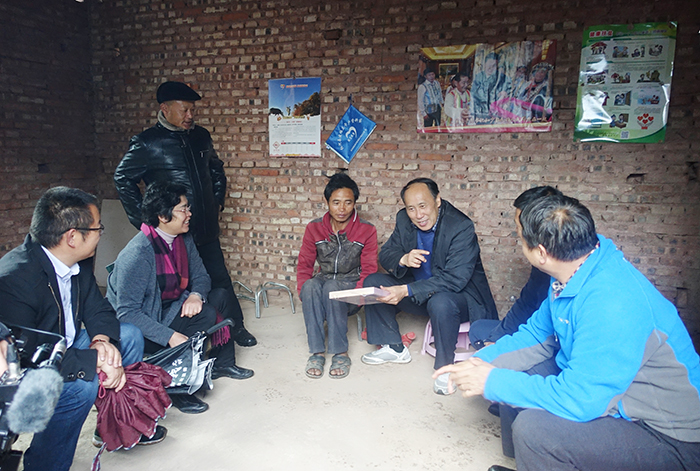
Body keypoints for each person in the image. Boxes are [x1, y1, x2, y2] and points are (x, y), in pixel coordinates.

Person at [435, 195, 700, 471]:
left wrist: (492, 381)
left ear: (541, 253)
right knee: (521, 369)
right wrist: (477, 363)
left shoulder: (613, 303)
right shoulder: (573, 273)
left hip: (666, 434)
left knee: (535, 431)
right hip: (615, 398)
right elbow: (535, 336)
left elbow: (581, 400)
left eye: (519, 236)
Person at [0, 187, 160, 471]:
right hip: (32, 365)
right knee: (80, 389)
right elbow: (29, 355)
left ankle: (114, 422)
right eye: (98, 228)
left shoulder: (76, 260)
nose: (101, 234)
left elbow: (98, 309)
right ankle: (46, 465)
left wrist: (101, 341)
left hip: (68, 343)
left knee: (130, 336)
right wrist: (94, 360)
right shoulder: (15, 279)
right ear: (72, 237)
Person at [114, 80, 257, 348]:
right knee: (176, 286)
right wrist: (145, 220)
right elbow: (123, 179)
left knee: (219, 279)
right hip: (172, 229)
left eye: (193, 110)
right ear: (165, 109)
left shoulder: (200, 136)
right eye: (184, 110)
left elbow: (216, 169)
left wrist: (216, 201)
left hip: (203, 226)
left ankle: (235, 328)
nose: (190, 115)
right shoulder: (147, 143)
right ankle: (179, 336)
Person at [107, 182, 253, 415]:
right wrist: (170, 336)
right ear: (163, 216)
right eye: (183, 209)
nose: (189, 214)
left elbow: (202, 276)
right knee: (206, 314)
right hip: (149, 324)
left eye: (188, 208)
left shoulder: (182, 239)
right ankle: (178, 388)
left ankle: (223, 364)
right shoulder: (137, 255)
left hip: (173, 306)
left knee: (221, 296)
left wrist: (195, 295)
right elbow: (127, 313)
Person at [360, 178, 498, 395]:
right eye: (411, 209)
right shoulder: (404, 219)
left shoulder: (460, 226)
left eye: (423, 206)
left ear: (437, 201)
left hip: (460, 299)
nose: (418, 215)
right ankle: (393, 347)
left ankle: (445, 368)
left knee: (441, 301)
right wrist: (403, 258)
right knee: (373, 282)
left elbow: (455, 279)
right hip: (422, 291)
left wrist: (406, 290)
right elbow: (386, 254)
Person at [297, 173, 378, 379]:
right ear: (327, 202)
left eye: (348, 202)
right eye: (336, 202)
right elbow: (305, 263)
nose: (342, 209)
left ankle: (340, 352)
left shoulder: (367, 230)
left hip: (350, 285)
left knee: (332, 288)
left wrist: (359, 295)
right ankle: (317, 352)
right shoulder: (314, 228)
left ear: (355, 203)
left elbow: (369, 269)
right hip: (323, 280)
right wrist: (304, 293)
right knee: (310, 286)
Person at [468, 186, 562, 349]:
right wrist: (497, 338)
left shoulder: (572, 278)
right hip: (534, 329)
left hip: (548, 343)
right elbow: (526, 303)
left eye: (519, 226)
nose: (518, 232)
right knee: (479, 330)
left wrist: (503, 350)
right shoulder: (542, 264)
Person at [470, 52, 512, 122]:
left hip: (498, 116)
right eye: (489, 66)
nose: (491, 69)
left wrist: (504, 95)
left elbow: (509, 94)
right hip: (480, 114)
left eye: (493, 66)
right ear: (484, 65)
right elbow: (474, 96)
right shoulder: (478, 78)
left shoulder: (503, 78)